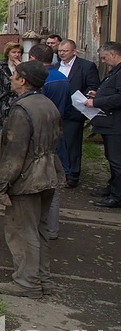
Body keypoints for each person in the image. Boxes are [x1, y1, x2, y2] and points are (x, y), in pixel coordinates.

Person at [0, 60, 64, 299]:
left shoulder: (22, 110)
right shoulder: (47, 104)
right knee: (39, 229)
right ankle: (42, 279)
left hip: (28, 179)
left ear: (23, 80)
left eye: (15, 75)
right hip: (49, 173)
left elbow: (14, 153)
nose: (11, 78)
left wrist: (1, 184)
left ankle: (26, 282)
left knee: (22, 231)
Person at [28, 44, 70, 239]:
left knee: (35, 183)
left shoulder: (40, 80)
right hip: (58, 133)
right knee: (53, 183)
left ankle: (35, 226)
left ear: (34, 58)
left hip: (39, 137)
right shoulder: (63, 78)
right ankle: (51, 228)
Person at [57, 40, 100, 188]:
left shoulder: (86, 66)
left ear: (74, 51)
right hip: (57, 111)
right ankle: (60, 171)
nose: (62, 53)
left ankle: (72, 175)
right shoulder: (56, 66)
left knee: (72, 144)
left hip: (75, 111)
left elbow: (93, 85)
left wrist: (85, 95)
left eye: (65, 51)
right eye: (60, 51)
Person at [84, 42, 121, 208]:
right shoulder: (115, 71)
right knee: (111, 157)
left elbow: (119, 98)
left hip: (116, 124)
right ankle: (112, 187)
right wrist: (98, 93)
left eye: (105, 58)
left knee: (116, 160)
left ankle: (117, 195)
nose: (104, 61)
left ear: (114, 55)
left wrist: (96, 101)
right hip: (109, 123)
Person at [0, 42, 23, 169]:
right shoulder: (0, 66)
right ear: (8, 53)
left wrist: (22, 69)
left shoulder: (23, 67)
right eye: (14, 52)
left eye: (18, 52)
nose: (16, 55)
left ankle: (10, 160)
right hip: (0, 102)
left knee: (12, 134)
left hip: (15, 102)